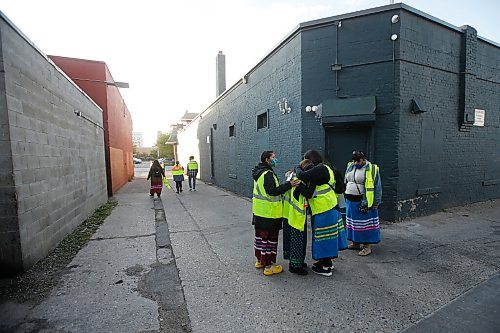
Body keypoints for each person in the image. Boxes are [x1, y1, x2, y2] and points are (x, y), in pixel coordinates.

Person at [295, 150, 348, 277]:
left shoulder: (321, 169)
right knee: (327, 237)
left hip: (324, 209)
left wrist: (297, 168)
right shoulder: (325, 168)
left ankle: (325, 267)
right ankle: (326, 262)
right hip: (328, 207)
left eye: (306, 159)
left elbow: (302, 176)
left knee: (325, 238)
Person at [252, 150, 299, 276]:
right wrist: (289, 184)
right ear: (267, 159)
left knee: (261, 239)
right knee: (270, 240)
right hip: (270, 213)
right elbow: (273, 191)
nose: (275, 159)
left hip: (259, 211)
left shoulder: (259, 171)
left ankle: (260, 261)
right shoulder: (267, 174)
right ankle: (269, 266)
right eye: (273, 157)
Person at [344, 151, 382, 256]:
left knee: (365, 224)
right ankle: (355, 243)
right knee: (353, 223)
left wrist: (376, 202)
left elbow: (377, 186)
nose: (355, 163)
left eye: (358, 161)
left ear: (363, 159)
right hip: (350, 201)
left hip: (363, 202)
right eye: (354, 160)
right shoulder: (350, 166)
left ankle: (367, 246)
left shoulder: (372, 169)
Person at [282, 159, 315, 275]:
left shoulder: (292, 176)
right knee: (297, 242)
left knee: (294, 241)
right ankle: (295, 266)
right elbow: (308, 193)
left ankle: (298, 262)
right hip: (296, 216)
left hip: (289, 214)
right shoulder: (298, 181)